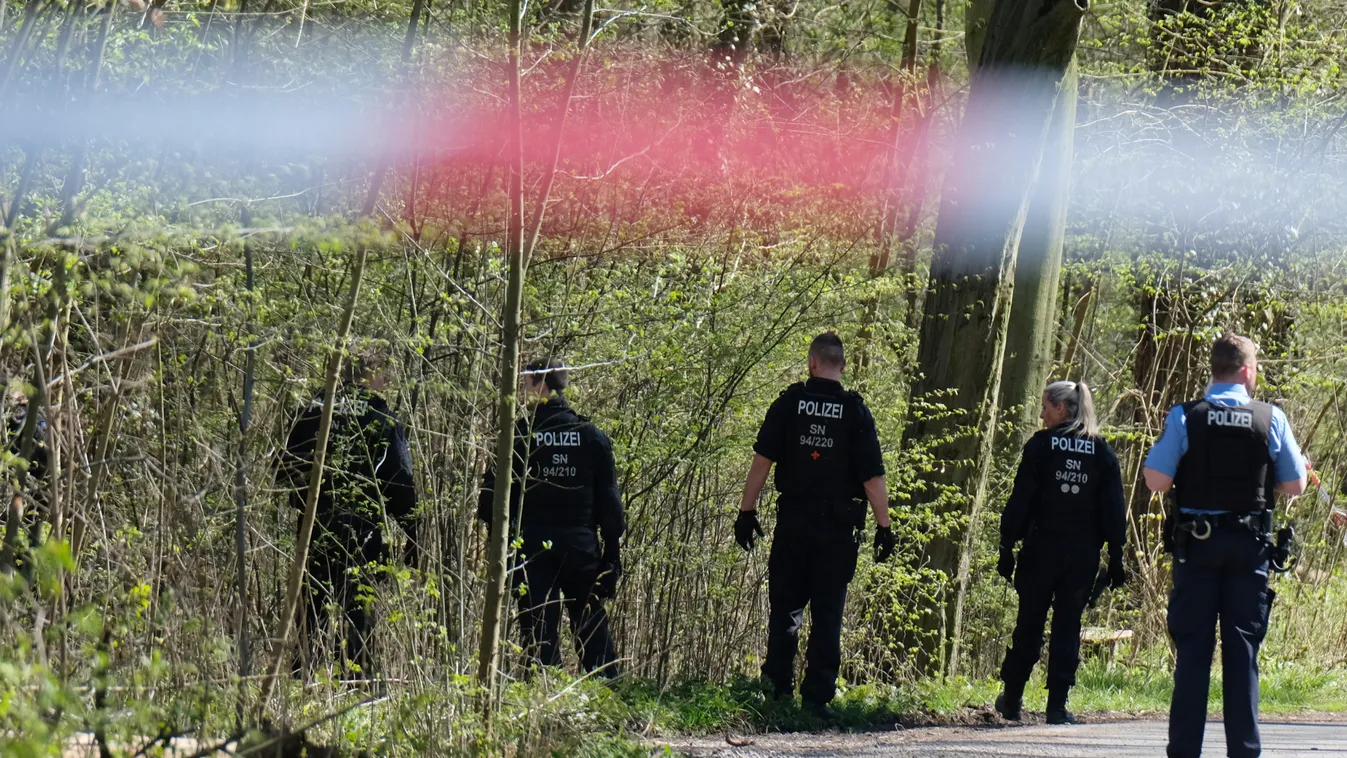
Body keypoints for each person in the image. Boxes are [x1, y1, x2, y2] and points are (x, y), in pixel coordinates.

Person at [1143, 333, 1308, 758]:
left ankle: (1183, 752)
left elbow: (1157, 481)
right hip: (1249, 549)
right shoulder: (1271, 418)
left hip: (1196, 548)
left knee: (1194, 652)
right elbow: (1293, 485)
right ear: (1248, 371)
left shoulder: (1186, 417)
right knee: (1242, 654)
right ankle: (1245, 752)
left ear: (1212, 369)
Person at [735, 332, 893, 719]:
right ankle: (817, 699)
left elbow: (762, 461)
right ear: (842, 365)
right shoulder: (855, 411)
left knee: (785, 608)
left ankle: (776, 692)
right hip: (838, 529)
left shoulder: (789, 404)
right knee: (827, 613)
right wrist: (885, 527)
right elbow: (872, 477)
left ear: (812, 363)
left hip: (794, 520)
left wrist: (746, 511)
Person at [477, 358, 624, 677]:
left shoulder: (519, 436)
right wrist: (612, 555)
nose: (521, 391)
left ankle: (544, 702)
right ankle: (609, 698)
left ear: (540, 385)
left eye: (525, 384)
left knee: (539, 632)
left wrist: (497, 546)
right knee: (591, 626)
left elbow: (491, 498)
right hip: (581, 547)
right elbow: (609, 501)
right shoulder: (590, 435)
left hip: (532, 549)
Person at [278, 352, 420, 675]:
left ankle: (302, 680)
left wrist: (306, 495)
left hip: (314, 524)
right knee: (359, 612)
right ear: (371, 377)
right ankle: (357, 685)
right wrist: (413, 533)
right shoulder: (381, 417)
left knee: (310, 611)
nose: (387, 383)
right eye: (384, 375)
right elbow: (401, 480)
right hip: (363, 529)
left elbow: (284, 468)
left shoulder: (315, 408)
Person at [994, 380, 1127, 725]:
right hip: (1081, 555)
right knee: (1068, 626)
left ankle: (1012, 699)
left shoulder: (1041, 446)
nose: (1041, 414)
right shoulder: (1102, 452)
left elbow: (1021, 499)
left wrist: (1007, 544)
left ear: (1063, 409)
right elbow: (1113, 510)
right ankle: (1057, 707)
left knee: (1029, 624)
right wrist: (1116, 556)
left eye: (1046, 407)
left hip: (1041, 550)